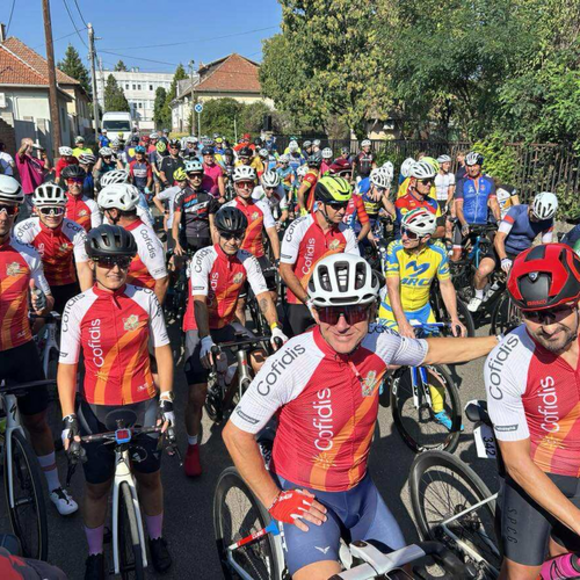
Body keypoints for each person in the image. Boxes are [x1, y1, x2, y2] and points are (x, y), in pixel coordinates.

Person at [224, 252, 501, 580]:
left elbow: (433, 351)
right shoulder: (292, 362)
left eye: (354, 311)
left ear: (371, 310)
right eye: (330, 312)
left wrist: (499, 341)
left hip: (361, 494)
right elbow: (235, 433)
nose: (342, 324)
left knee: (402, 574)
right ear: (315, 311)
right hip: (307, 498)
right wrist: (274, 500)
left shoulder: (380, 343)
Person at [58, 225, 174, 579]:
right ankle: (95, 554)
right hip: (96, 407)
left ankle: (156, 538)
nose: (115, 269)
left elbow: (163, 351)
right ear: (93, 263)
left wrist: (167, 399)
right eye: (107, 261)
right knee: (96, 488)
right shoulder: (77, 307)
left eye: (123, 261)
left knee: (150, 478)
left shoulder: (146, 298)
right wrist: (67, 418)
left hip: (143, 403)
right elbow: (67, 368)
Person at [484, 243, 580, 580]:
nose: (548, 327)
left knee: (564, 562)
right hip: (535, 473)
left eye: (558, 311)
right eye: (534, 315)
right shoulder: (508, 361)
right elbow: (517, 463)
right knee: (520, 575)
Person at [181, 206, 286, 477]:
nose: (232, 241)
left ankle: (271, 431)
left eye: (237, 235)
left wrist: (275, 327)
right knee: (197, 394)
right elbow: (199, 301)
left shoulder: (247, 259)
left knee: (263, 364)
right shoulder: (203, 257)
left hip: (227, 323)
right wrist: (205, 339)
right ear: (217, 232)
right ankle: (192, 447)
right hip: (199, 324)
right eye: (226, 235)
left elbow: (262, 296)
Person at [0, 175, 78, 517]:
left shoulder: (27, 255)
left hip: (21, 351)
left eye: (10, 209)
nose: (3, 216)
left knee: (38, 423)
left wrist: (41, 305)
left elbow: (46, 299)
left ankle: (54, 487)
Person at [378, 209, 466, 427]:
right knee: (390, 360)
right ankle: (381, 376)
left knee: (434, 360)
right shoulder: (395, 248)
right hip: (393, 310)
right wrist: (402, 323)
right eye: (403, 230)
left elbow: (445, 284)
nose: (403, 236)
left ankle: (438, 409)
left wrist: (455, 318)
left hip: (422, 310)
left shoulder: (438, 251)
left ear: (425, 237)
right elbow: (392, 287)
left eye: (409, 233)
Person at [280, 175, 360, 336]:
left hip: (333, 302)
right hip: (300, 300)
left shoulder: (347, 232)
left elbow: (355, 269)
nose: (342, 211)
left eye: (344, 205)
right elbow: (284, 269)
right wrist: (308, 301)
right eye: (336, 206)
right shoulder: (299, 227)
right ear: (320, 204)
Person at [468, 191, 557, 312]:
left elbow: (546, 247)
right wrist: (504, 259)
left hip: (521, 255)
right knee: (482, 271)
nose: (536, 221)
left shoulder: (548, 221)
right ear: (532, 205)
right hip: (501, 248)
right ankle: (478, 296)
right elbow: (499, 238)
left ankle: (500, 289)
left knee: (521, 283)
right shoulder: (516, 211)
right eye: (535, 216)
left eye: (540, 220)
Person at [14, 183, 92, 313]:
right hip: (37, 283)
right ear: (36, 210)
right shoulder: (24, 230)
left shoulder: (76, 230)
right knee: (38, 320)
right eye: (46, 210)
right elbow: (24, 268)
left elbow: (83, 269)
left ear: (64, 209)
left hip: (66, 283)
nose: (52, 215)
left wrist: (88, 301)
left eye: (57, 210)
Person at [223, 166, 280, 317]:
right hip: (237, 259)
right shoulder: (228, 208)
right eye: (241, 184)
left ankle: (270, 325)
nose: (245, 187)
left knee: (272, 297)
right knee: (239, 305)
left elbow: (272, 233)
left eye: (249, 183)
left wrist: (278, 259)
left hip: (259, 256)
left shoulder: (262, 206)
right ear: (235, 186)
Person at [98, 184, 168, 305]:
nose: (104, 215)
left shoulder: (144, 238)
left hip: (140, 303)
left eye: (104, 211)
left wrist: (154, 312)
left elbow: (162, 280)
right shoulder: (118, 231)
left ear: (114, 212)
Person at [453, 151, 500, 261]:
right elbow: (458, 207)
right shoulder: (462, 183)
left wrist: (499, 220)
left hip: (483, 224)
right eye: (469, 166)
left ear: (480, 166)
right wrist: (464, 223)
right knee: (457, 254)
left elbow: (494, 204)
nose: (471, 169)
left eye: (474, 165)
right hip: (465, 223)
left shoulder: (489, 182)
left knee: (493, 248)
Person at [172, 160, 219, 257]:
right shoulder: (180, 196)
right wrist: (176, 243)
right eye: (192, 176)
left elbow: (212, 225)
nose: (196, 178)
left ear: (202, 176)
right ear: (187, 176)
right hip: (187, 237)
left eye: (199, 175)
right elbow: (176, 222)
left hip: (205, 237)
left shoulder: (209, 197)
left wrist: (216, 247)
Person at [395, 161, 444, 238]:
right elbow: (409, 229)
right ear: (413, 182)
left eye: (431, 180)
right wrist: (430, 232)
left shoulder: (434, 203)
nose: (429, 184)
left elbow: (441, 230)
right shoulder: (402, 202)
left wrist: (425, 235)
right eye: (425, 181)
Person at [153, 167, 188, 247]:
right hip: (172, 225)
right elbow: (155, 199)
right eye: (178, 181)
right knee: (172, 251)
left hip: (186, 226)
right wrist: (164, 212)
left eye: (182, 181)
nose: (180, 183)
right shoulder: (172, 190)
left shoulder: (190, 190)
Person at [15, 138, 50, 219]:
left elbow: (47, 166)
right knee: (34, 212)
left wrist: (44, 155)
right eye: (30, 145)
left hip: (40, 189)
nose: (32, 146)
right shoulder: (22, 158)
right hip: (30, 189)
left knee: (42, 210)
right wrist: (28, 144)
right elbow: (20, 152)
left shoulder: (35, 159)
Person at [62, 165, 101, 233]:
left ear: (83, 182)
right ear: (66, 182)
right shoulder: (59, 202)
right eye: (71, 181)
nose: (75, 184)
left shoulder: (92, 204)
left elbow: (97, 231)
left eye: (79, 181)